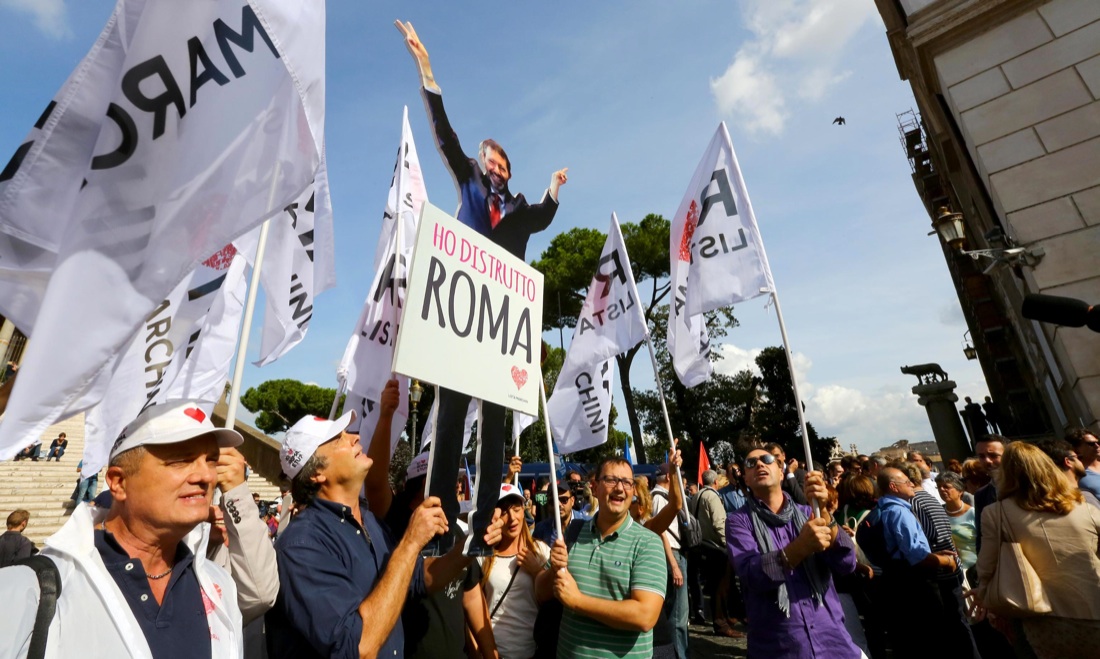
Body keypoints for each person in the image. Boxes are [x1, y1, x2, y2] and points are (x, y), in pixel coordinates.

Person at [397, 20, 568, 557]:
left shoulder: (518, 209)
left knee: (494, 424)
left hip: (499, 320)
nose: (493, 169)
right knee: (449, 415)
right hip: (460, 313)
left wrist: (553, 190)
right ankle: (442, 516)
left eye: (501, 165)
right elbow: (444, 130)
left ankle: (487, 521)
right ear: (480, 165)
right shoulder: (467, 177)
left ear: (509, 172)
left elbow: (540, 218)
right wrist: (426, 68)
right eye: (488, 161)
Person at [266, 383, 503, 659]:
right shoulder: (301, 546)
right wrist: (411, 542)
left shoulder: (369, 523)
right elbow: (359, 647)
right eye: (338, 439)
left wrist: (474, 541)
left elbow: (421, 577)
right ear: (317, 472)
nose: (353, 438)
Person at [0, 401, 246, 656]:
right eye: (181, 460)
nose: (206, 476)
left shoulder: (220, 586)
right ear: (119, 482)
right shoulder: (30, 589)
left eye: (211, 460)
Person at [726, 447, 861, 658]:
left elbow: (846, 563)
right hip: (780, 646)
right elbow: (751, 574)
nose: (759, 464)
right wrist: (800, 548)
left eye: (767, 459)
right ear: (746, 479)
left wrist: (824, 510)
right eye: (751, 463)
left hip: (833, 642)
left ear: (781, 472)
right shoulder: (738, 522)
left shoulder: (810, 512)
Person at [976, 441, 1100, 659]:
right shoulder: (1084, 505)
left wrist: (986, 598)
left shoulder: (995, 513)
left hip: (1044, 616)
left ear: (1006, 474)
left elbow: (987, 566)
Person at [549, 457, 667, 658]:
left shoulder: (648, 543)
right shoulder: (573, 533)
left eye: (627, 482)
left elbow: (645, 616)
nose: (620, 488)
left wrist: (578, 602)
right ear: (594, 488)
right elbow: (541, 592)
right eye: (611, 480)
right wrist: (552, 568)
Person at [864, 467, 978, 659]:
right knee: (933, 640)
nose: (911, 484)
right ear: (893, 486)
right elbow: (917, 556)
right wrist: (946, 561)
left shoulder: (880, 510)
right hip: (915, 584)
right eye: (906, 482)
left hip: (896, 581)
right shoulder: (898, 512)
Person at [480, 483, 551, 659]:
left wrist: (537, 570)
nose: (512, 518)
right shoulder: (484, 557)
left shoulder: (540, 551)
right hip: (493, 653)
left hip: (532, 652)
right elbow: (473, 609)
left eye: (516, 509)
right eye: (504, 512)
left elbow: (553, 598)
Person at [693, 469, 741, 638]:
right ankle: (721, 623)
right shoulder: (712, 496)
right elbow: (719, 523)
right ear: (715, 483)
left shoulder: (697, 495)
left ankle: (729, 617)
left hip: (703, 545)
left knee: (716, 587)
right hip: (716, 547)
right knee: (720, 588)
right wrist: (729, 544)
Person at [651, 464, 690, 659]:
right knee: (678, 615)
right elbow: (661, 533)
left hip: (675, 554)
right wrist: (674, 565)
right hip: (671, 554)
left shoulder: (661, 497)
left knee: (677, 612)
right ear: (668, 476)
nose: (681, 479)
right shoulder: (658, 498)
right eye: (676, 475)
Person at [1036, 436, 1100, 504]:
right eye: (1078, 457)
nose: (1080, 461)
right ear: (1068, 462)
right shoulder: (1083, 498)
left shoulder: (1047, 501)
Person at [936, 472, 977, 575]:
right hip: (953, 570)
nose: (942, 489)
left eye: (946, 487)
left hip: (975, 568)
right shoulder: (938, 513)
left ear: (960, 491)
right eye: (939, 487)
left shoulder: (973, 513)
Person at [972, 435, 1006, 553]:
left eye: (993, 456)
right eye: (981, 456)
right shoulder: (981, 495)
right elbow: (982, 536)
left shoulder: (1027, 486)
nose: (987, 461)